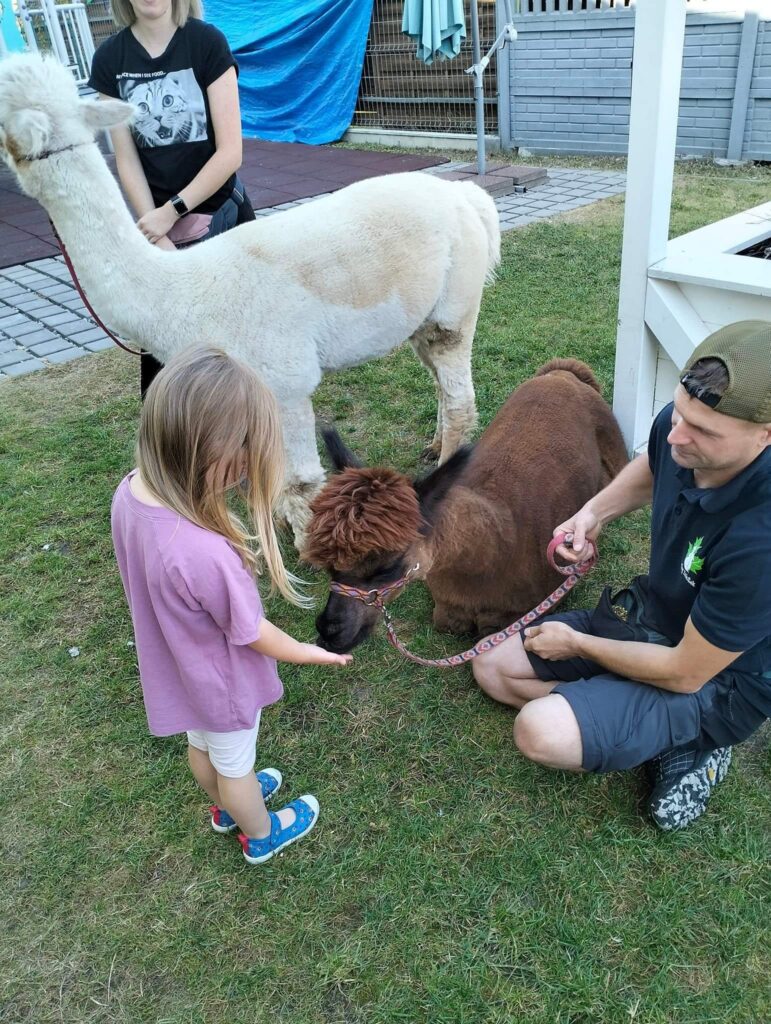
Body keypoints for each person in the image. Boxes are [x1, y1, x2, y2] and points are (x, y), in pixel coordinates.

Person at [472, 321, 771, 831]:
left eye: (702, 432)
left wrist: (580, 646)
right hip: (653, 618)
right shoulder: (685, 427)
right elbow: (658, 462)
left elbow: (685, 671)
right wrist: (592, 514)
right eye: (678, 414)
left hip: (717, 679)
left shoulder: (760, 541)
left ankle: (698, 743)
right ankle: (629, 712)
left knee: (540, 731)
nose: (679, 434)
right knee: (492, 667)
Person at [111, 347, 352, 864]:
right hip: (221, 684)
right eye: (243, 462)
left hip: (179, 670)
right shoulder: (206, 554)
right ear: (211, 460)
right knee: (237, 767)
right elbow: (252, 632)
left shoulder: (130, 492)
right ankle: (261, 831)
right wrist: (313, 653)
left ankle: (223, 808)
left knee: (203, 751)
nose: (248, 473)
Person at [88, 0, 255, 397]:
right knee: (163, 376)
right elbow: (126, 158)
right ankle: (169, 456)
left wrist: (171, 212)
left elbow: (230, 151)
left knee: (240, 360)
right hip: (159, 233)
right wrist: (154, 228)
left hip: (221, 222)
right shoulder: (110, 58)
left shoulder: (206, 42)